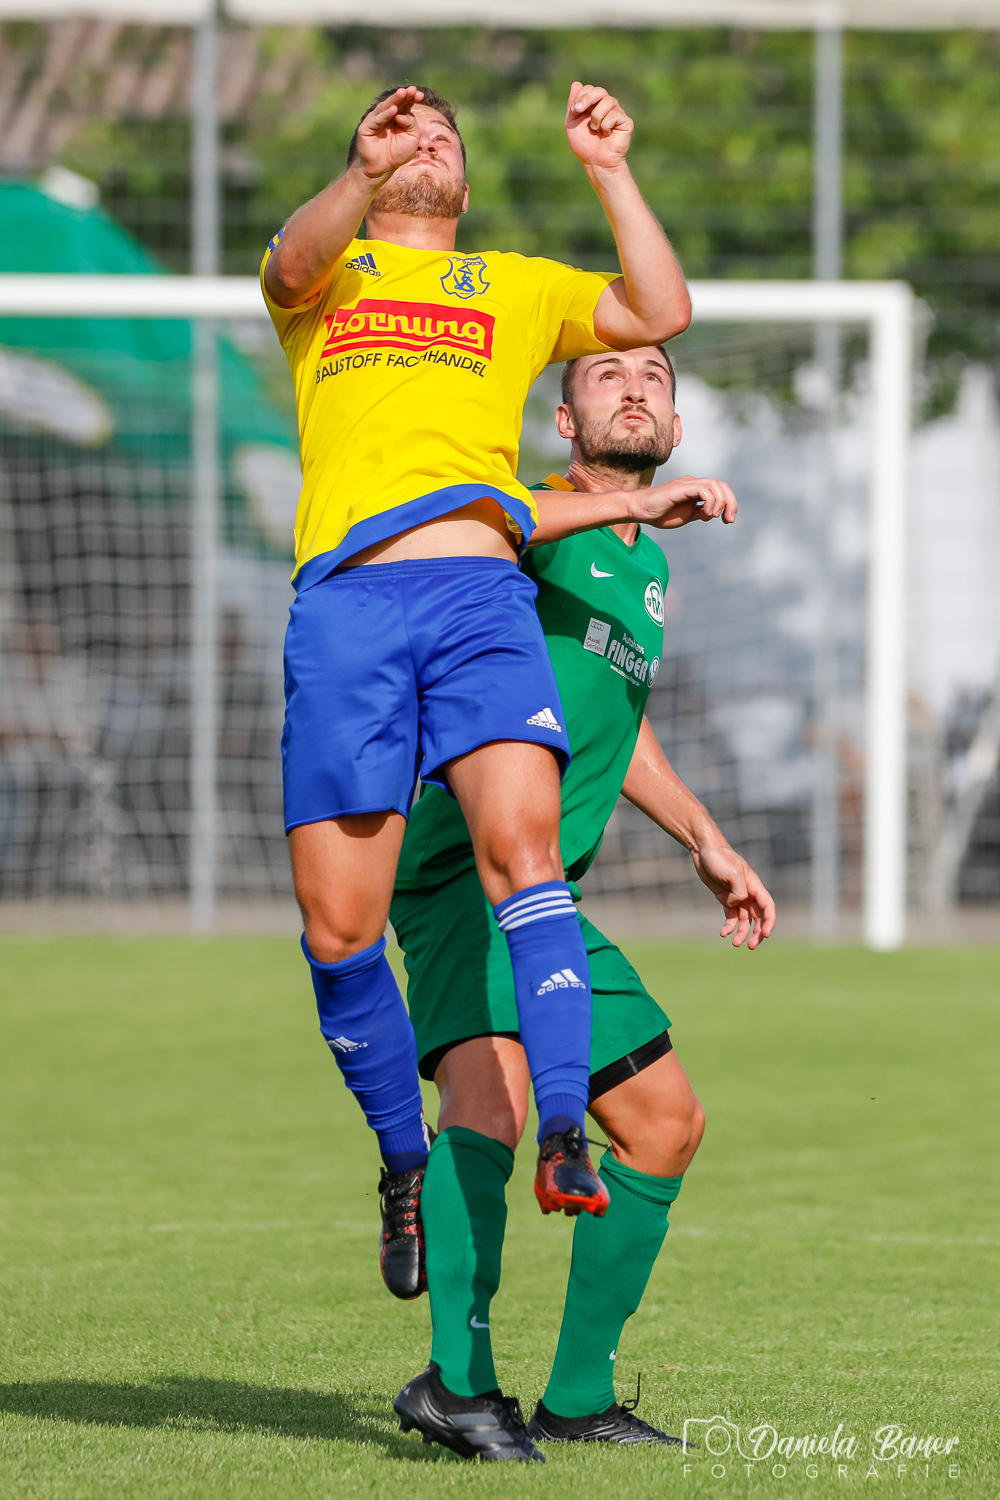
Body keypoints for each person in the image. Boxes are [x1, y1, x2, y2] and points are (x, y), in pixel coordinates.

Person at [262, 80, 735, 1296]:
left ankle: (563, 1121)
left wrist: (607, 167)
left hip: (477, 597)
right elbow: (287, 263)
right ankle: (399, 1159)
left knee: (526, 858)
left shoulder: (512, 286)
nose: (422, 139)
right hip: (349, 608)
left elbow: (661, 309)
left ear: (465, 184)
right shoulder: (332, 274)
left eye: (441, 135)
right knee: (338, 930)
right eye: (396, 129)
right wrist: (361, 173)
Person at [389, 346, 776, 1461]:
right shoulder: (529, 523)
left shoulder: (640, 571)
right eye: (606, 375)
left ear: (677, 425)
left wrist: (705, 838)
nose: (635, 385)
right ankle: (456, 1385)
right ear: (565, 420)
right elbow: (464, 527)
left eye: (654, 374)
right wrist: (620, 504)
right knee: (496, 1101)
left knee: (664, 1124)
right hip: (466, 868)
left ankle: (577, 1397)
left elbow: (616, 717)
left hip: (548, 895)